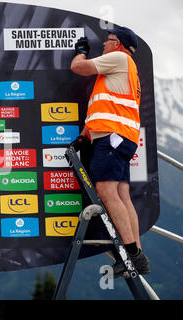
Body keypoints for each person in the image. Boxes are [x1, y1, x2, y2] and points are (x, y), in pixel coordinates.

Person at [69, 26, 150, 277]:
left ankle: (132, 255)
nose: (104, 44)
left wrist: (80, 53)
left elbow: (78, 68)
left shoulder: (119, 58)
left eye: (109, 40)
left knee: (105, 191)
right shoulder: (119, 71)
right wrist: (84, 137)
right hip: (119, 137)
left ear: (119, 44)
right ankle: (137, 256)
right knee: (122, 194)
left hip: (113, 137)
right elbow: (105, 108)